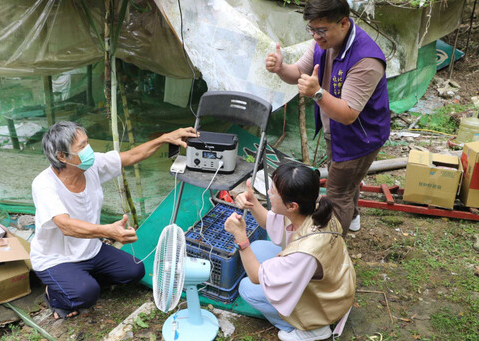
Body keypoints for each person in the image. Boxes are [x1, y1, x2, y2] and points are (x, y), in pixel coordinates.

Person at [31, 121, 198, 319]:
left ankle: (80, 280)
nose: (89, 150)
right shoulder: (44, 184)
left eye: (87, 143)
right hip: (56, 258)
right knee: (86, 295)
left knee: (134, 270)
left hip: (91, 250)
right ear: (61, 156)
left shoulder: (90, 166)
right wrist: (108, 232)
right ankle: (55, 294)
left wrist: (164, 138)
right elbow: (65, 225)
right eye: (82, 147)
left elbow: (130, 156)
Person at [265, 0, 390, 233]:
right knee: (345, 180)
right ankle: (353, 218)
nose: (315, 36)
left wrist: (317, 93)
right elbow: (299, 72)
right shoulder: (323, 42)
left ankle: (329, 246)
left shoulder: (367, 60)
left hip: (360, 137)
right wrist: (281, 68)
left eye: (320, 30)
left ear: (344, 23)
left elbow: (348, 115)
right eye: (311, 29)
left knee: (336, 194)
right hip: (338, 130)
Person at [224, 163, 355, 341]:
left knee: (247, 288)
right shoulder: (312, 208)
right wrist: (252, 202)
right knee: (257, 249)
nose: (268, 193)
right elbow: (268, 222)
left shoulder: (305, 252)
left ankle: (310, 328)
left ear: (292, 205)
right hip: (332, 282)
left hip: (325, 304)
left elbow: (255, 276)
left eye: (272, 191)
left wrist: (241, 237)